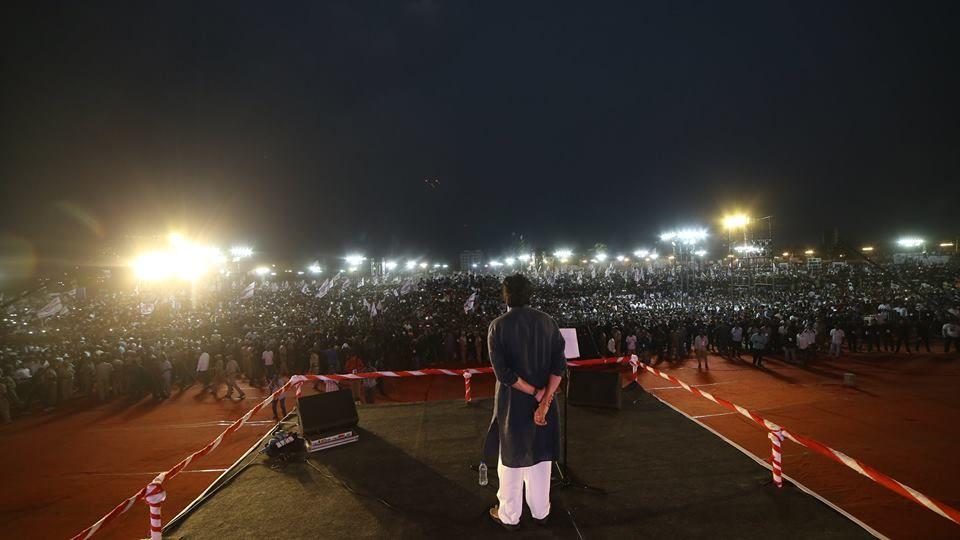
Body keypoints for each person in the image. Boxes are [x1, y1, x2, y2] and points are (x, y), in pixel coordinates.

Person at [483, 274, 566, 530]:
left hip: (513, 405)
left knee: (510, 459)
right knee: (541, 457)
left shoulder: (498, 326)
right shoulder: (548, 322)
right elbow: (559, 367)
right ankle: (541, 511)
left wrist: (533, 393)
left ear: (505, 295)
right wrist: (545, 399)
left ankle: (510, 515)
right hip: (546, 403)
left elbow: (504, 374)